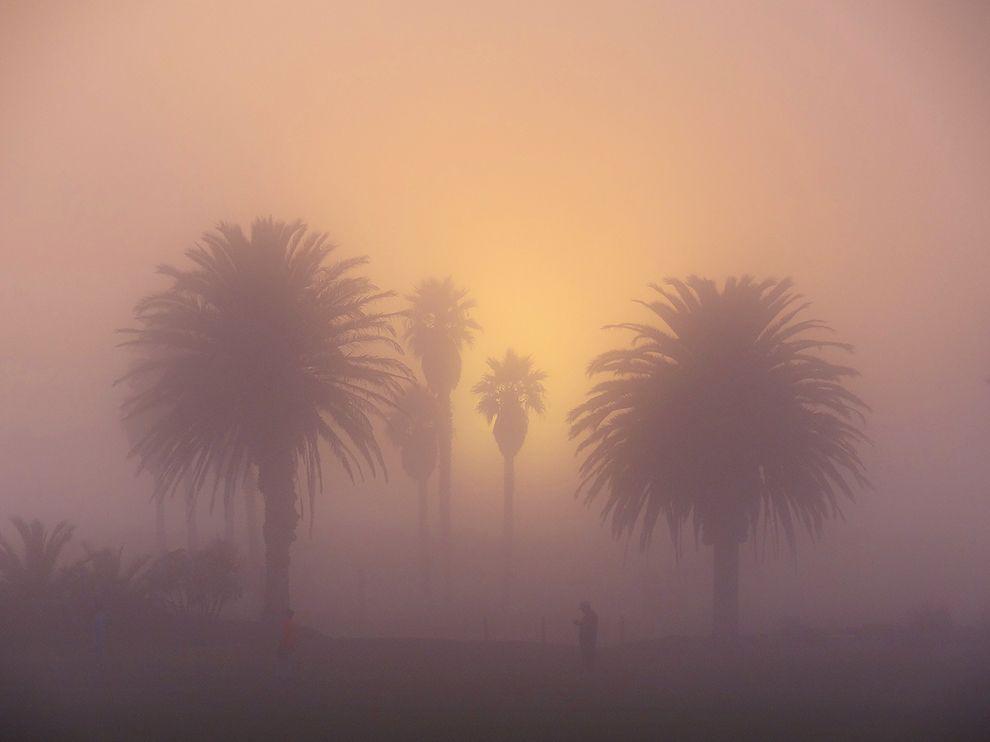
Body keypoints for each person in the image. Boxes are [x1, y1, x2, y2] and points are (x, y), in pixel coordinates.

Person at [574, 601, 599, 670]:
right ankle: (588, 667)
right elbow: (586, 625)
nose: (582, 610)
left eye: (582, 608)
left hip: (588, 638)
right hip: (587, 638)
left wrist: (580, 624)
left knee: (588, 653)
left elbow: (589, 626)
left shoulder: (591, 616)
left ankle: (589, 668)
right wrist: (579, 624)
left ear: (586, 607)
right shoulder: (589, 616)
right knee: (586, 653)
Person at [276, 608, 297, 680]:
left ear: (287, 615)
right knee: (288, 661)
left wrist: (281, 646)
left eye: (284, 614)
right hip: (290, 646)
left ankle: (282, 676)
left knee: (283, 661)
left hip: (285, 646)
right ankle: (286, 676)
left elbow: (284, 636)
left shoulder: (286, 625)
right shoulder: (293, 624)